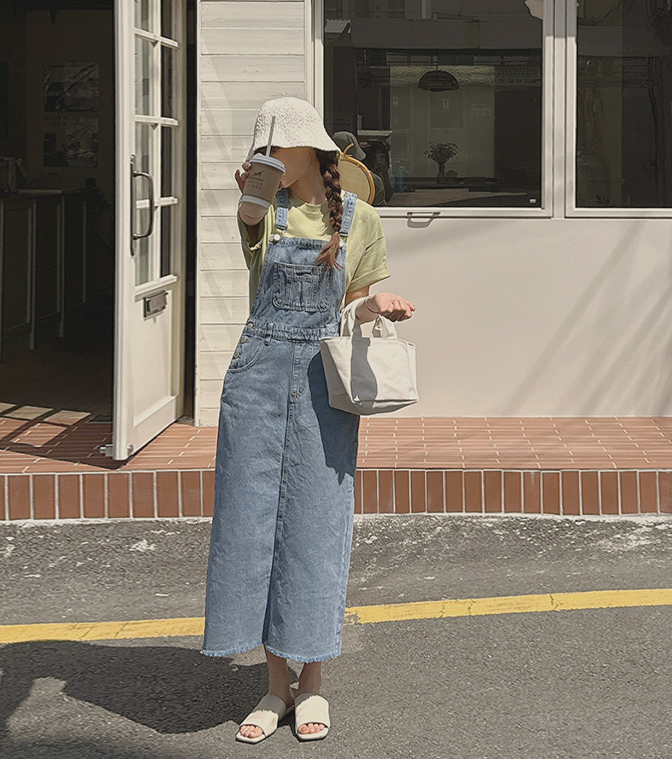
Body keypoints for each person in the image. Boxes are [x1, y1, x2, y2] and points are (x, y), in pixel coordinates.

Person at [201, 97, 415, 744]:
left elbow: (351, 307)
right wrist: (251, 194)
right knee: (250, 526)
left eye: (275, 149)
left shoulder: (362, 217)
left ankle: (313, 680)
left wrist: (375, 304)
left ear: (307, 149)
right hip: (256, 382)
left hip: (325, 384)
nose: (267, 159)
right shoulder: (261, 210)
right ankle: (275, 685)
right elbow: (250, 231)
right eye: (261, 150)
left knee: (316, 528)